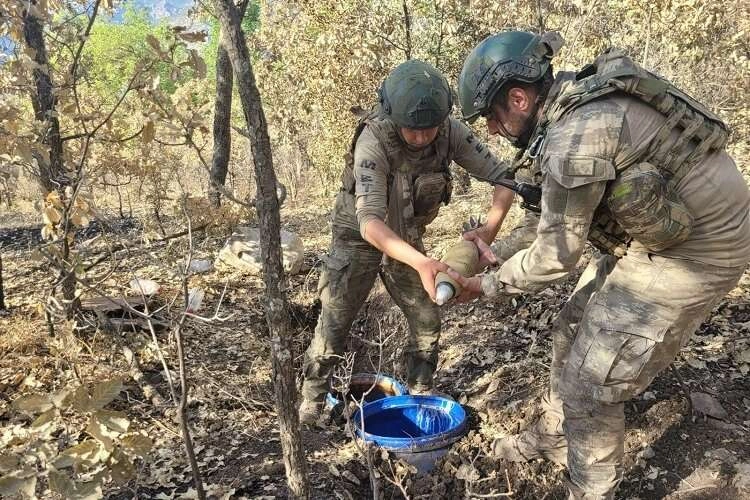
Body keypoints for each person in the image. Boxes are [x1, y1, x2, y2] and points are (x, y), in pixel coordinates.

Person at [449, 30, 750, 498]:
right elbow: (549, 223)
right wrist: (493, 251)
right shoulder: (569, 109)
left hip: (699, 250)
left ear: (519, 98)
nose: (490, 129)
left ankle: (590, 489)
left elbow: (557, 255)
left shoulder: (577, 137)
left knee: (591, 384)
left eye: (491, 115)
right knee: (570, 328)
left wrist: (484, 287)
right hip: (658, 236)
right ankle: (556, 435)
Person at [299, 59, 515, 424]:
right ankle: (312, 400)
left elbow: (504, 179)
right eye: (412, 130)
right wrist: (421, 262)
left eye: (429, 129)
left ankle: (419, 391)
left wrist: (487, 234)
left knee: (427, 317)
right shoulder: (374, 139)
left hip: (408, 237)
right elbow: (369, 223)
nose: (421, 138)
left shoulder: (450, 132)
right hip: (358, 237)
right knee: (336, 321)